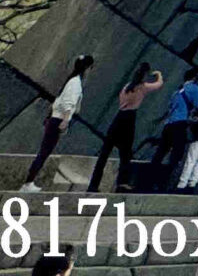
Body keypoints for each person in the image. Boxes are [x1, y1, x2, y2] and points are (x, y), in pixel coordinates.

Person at [19, 54, 95, 192]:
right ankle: (27, 183)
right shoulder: (75, 83)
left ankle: (29, 182)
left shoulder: (71, 81)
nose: (90, 71)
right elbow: (68, 104)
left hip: (55, 119)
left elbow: (60, 102)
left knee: (44, 152)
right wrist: (65, 120)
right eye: (90, 68)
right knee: (44, 152)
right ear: (86, 68)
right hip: (58, 120)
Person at [88, 61, 164, 193]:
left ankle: (93, 184)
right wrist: (159, 75)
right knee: (126, 153)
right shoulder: (142, 87)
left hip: (118, 117)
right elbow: (159, 84)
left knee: (105, 153)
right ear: (145, 74)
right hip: (129, 119)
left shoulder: (127, 87)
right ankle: (122, 183)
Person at [147, 68, 198, 192]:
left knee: (160, 153)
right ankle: (163, 183)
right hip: (180, 124)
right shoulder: (194, 88)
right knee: (176, 155)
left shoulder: (176, 92)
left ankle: (149, 181)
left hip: (168, 125)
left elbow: (171, 108)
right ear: (194, 77)